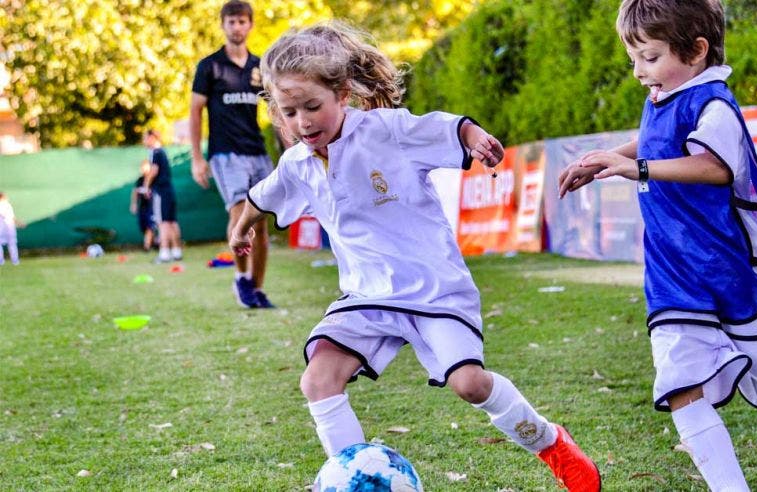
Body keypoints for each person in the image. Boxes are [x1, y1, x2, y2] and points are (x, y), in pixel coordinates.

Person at [228, 22, 601, 491]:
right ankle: (353, 480)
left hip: (433, 289)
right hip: (366, 295)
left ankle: (549, 442)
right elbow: (263, 197)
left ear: (343, 94)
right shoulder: (297, 163)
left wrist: (472, 137)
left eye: (312, 106)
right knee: (317, 381)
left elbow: (445, 128)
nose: (302, 121)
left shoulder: (386, 131)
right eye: (289, 112)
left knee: (470, 385)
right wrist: (242, 227)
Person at [558, 1, 757, 491]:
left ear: (697, 51)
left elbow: (715, 166)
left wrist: (635, 168)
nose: (640, 72)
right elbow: (655, 140)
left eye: (650, 57)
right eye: (634, 59)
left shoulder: (713, 103)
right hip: (673, 277)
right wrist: (606, 160)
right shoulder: (666, 95)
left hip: (732, 274)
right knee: (680, 386)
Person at [190, 0, 275, 308]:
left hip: (257, 152)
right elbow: (195, 111)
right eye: (231, 22)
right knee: (240, 215)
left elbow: (276, 110)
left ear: (250, 25)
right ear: (223, 26)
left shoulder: (260, 67)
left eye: (242, 21)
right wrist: (197, 158)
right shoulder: (209, 66)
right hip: (225, 154)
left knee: (262, 223)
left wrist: (292, 146)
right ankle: (241, 278)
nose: (237, 27)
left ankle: (257, 287)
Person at [142, 129, 183, 262]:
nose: (144, 141)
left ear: (152, 137)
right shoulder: (163, 152)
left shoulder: (155, 152)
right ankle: (177, 251)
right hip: (169, 190)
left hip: (160, 191)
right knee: (172, 221)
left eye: (145, 138)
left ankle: (164, 252)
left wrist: (146, 186)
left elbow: (154, 171)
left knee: (162, 222)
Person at [130, 160, 158, 251]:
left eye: (145, 166)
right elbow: (135, 192)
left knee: (150, 227)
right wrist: (133, 204)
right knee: (144, 227)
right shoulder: (140, 180)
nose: (143, 169)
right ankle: (155, 243)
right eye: (142, 167)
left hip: (153, 207)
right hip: (143, 207)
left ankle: (146, 247)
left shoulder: (155, 179)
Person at [0, 192, 22, 265]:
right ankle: (15, 261)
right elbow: (12, 217)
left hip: (2, 228)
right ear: (2, 197)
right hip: (9, 228)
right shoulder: (7, 205)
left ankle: (1, 261)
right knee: (12, 244)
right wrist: (19, 223)